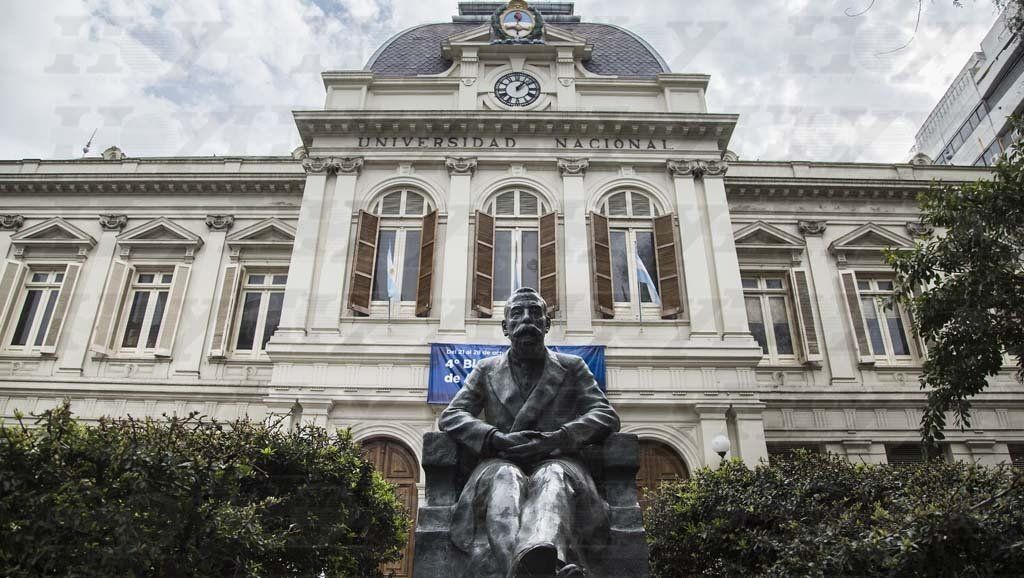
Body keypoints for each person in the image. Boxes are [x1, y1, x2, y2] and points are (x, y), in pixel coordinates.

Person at [439, 287, 620, 577]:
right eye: (517, 313)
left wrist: (558, 438)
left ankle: (529, 567)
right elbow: (452, 415)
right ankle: (543, 571)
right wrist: (493, 438)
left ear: (547, 324)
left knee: (552, 478)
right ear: (505, 327)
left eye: (535, 313)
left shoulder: (572, 367)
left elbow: (605, 415)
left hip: (557, 459)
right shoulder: (486, 370)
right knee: (505, 478)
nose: (527, 320)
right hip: (500, 460)